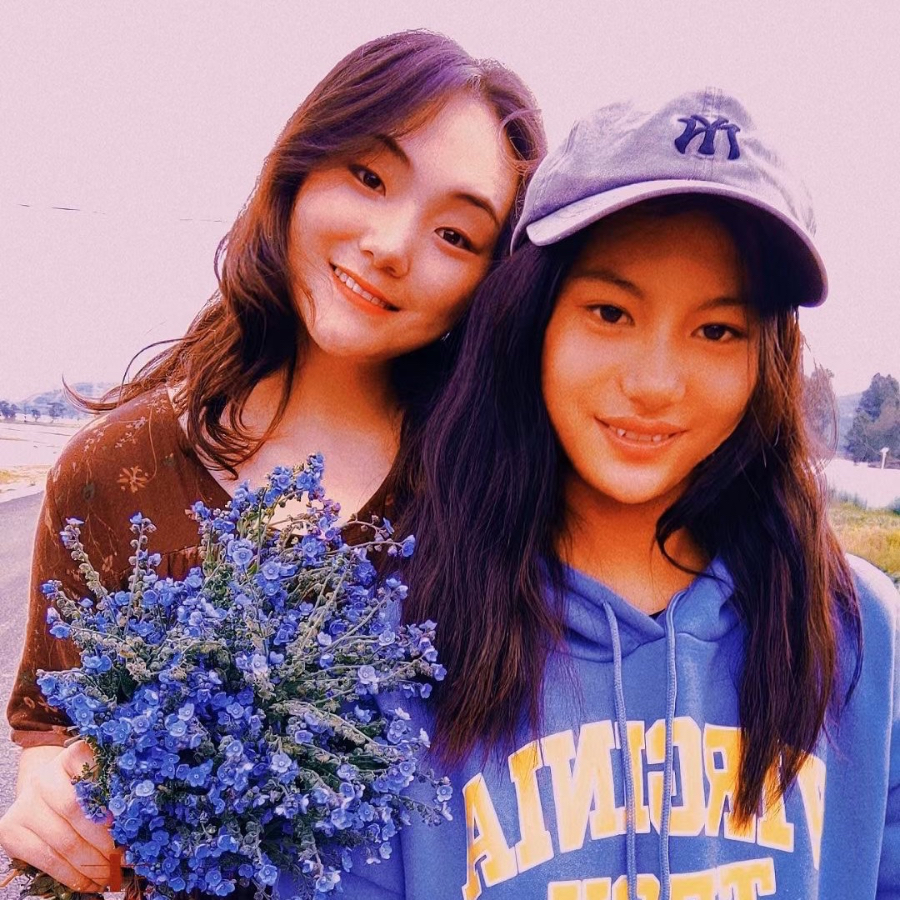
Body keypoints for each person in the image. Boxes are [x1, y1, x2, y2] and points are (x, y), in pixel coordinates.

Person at [0, 30, 545, 893]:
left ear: (489, 283)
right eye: (369, 177)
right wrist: (47, 796)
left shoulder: (498, 490)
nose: (391, 244)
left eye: (455, 233)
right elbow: (48, 723)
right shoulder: (116, 468)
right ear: (298, 171)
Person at [322, 90, 900, 898]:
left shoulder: (861, 635)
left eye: (717, 331)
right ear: (532, 320)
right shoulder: (391, 641)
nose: (655, 383)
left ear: (765, 361)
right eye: (610, 312)